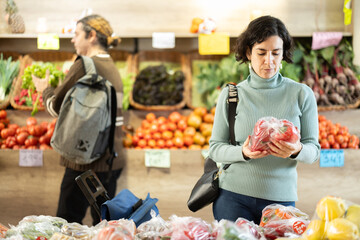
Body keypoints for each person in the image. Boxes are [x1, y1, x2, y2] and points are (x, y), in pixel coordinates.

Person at [209, 15, 320, 224]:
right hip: (232, 197)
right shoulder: (232, 95)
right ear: (249, 53)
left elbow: (314, 151)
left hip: (281, 203)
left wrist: (297, 150)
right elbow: (215, 148)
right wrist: (243, 152)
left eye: (276, 53)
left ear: (283, 54)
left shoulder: (301, 94)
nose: (269, 61)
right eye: (261, 52)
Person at [33, 14, 126, 225]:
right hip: (112, 159)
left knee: (66, 222)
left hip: (85, 162)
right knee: (104, 227)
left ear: (91, 36)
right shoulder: (111, 66)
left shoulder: (84, 65)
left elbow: (58, 109)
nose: (73, 40)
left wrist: (44, 89)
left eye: (76, 34)